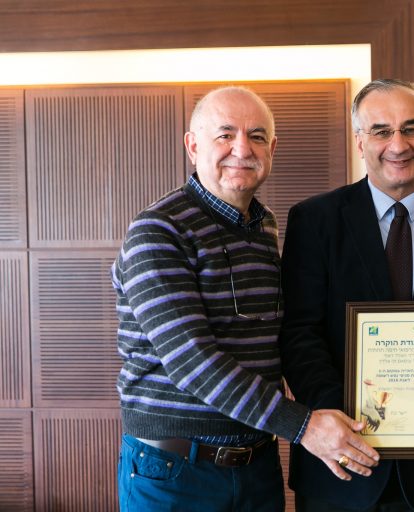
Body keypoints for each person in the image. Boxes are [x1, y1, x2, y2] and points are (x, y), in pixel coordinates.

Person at [111, 86, 378, 512]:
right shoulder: (159, 230)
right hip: (176, 471)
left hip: (257, 465)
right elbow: (192, 361)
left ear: (272, 149)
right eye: (225, 134)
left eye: (256, 136)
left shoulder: (263, 225)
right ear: (193, 145)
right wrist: (304, 426)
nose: (242, 148)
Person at [279, 78, 414, 511]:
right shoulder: (314, 220)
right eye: (381, 131)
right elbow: (298, 333)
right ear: (360, 141)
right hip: (340, 462)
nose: (398, 144)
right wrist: (342, 418)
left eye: (411, 128)